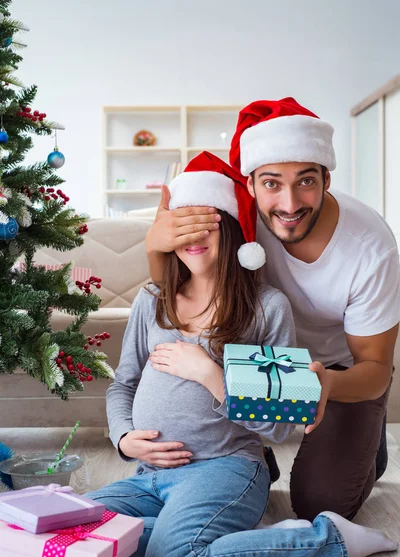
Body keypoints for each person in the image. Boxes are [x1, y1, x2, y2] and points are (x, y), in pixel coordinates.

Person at [87, 152, 397, 557]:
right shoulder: (152, 300)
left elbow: (276, 426)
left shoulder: (266, 308)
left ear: (233, 231)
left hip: (225, 467)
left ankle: (330, 540)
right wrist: (122, 437)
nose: (194, 238)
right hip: (147, 474)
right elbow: (124, 383)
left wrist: (211, 374)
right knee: (71, 529)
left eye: (208, 225)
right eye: (184, 226)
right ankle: (200, 539)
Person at [145, 97, 400, 522]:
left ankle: (366, 441)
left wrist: (329, 388)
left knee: (320, 505)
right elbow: (175, 285)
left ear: (326, 179)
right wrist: (156, 241)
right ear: (249, 184)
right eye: (271, 183)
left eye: (305, 181)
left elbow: (374, 365)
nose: (288, 203)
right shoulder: (235, 218)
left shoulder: (370, 246)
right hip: (254, 355)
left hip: (337, 369)